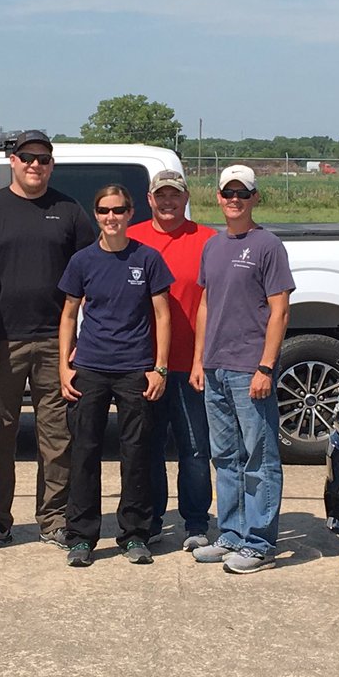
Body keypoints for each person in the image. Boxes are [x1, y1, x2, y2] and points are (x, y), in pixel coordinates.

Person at [0, 130, 96, 549]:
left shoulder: (69, 211)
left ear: (51, 165)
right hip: (0, 344)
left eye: (43, 159)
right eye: (27, 158)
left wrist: (80, 341)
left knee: (56, 437)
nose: (35, 165)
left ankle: (54, 518)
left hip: (56, 343)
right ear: (13, 162)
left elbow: (91, 276)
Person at [58, 185, 173, 566]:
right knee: (84, 453)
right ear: (96, 214)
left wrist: (159, 368)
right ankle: (81, 537)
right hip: (90, 367)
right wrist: (64, 364)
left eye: (119, 210)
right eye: (105, 210)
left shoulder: (148, 259)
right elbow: (69, 314)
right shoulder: (82, 261)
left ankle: (135, 534)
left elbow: (162, 315)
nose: (112, 217)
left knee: (136, 454)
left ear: (130, 213)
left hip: (135, 369)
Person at [189, 165, 295, 574]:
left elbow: (280, 310)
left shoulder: (267, 245)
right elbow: (205, 305)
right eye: (227, 192)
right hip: (215, 367)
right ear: (217, 197)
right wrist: (199, 360)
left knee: (260, 457)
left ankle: (260, 542)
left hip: (250, 367)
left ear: (255, 198)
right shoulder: (213, 247)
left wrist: (265, 367)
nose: (234, 199)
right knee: (225, 456)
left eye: (242, 193)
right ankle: (231, 533)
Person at [128, 169, 217, 552]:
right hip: (142, 363)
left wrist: (202, 360)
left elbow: (215, 302)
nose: (168, 202)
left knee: (195, 449)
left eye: (174, 196)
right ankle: (151, 520)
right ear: (149, 199)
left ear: (186, 199)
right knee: (146, 448)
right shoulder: (131, 238)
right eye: (160, 195)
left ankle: (195, 521)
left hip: (190, 363)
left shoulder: (208, 240)